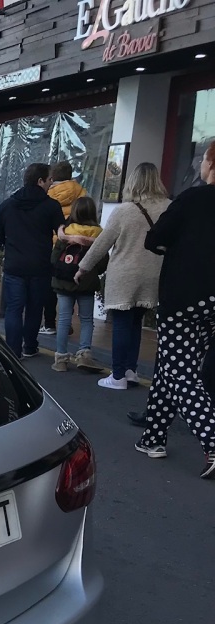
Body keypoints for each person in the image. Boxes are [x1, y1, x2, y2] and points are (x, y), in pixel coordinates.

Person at [134, 140, 215, 478]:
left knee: (181, 373)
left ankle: (212, 439)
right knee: (173, 364)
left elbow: (154, 239)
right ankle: (153, 437)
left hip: (182, 297)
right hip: (213, 303)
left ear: (210, 163)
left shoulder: (193, 198)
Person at [73, 162, 170, 390]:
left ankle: (117, 376)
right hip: (153, 274)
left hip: (125, 274)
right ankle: (130, 370)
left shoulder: (124, 211)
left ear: (133, 181)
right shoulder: (168, 208)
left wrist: (83, 268)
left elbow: (101, 244)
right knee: (136, 322)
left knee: (121, 324)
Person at [0, 163, 64, 358]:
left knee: (13, 309)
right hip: (40, 266)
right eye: (49, 180)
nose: (51, 184)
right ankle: (30, 346)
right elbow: (62, 235)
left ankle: (13, 351)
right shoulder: (51, 207)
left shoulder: (7, 205)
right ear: (40, 181)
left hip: (14, 266)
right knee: (34, 309)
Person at [50, 196, 103, 372]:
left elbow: (53, 259)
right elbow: (103, 263)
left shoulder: (65, 233)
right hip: (86, 284)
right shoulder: (99, 235)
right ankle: (84, 354)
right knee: (87, 319)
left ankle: (61, 359)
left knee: (64, 319)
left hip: (63, 283)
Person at [40, 161, 88, 335]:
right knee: (69, 284)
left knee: (52, 285)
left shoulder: (47, 193)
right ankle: (65, 322)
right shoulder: (81, 191)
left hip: (54, 244)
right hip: (75, 244)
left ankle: (50, 323)